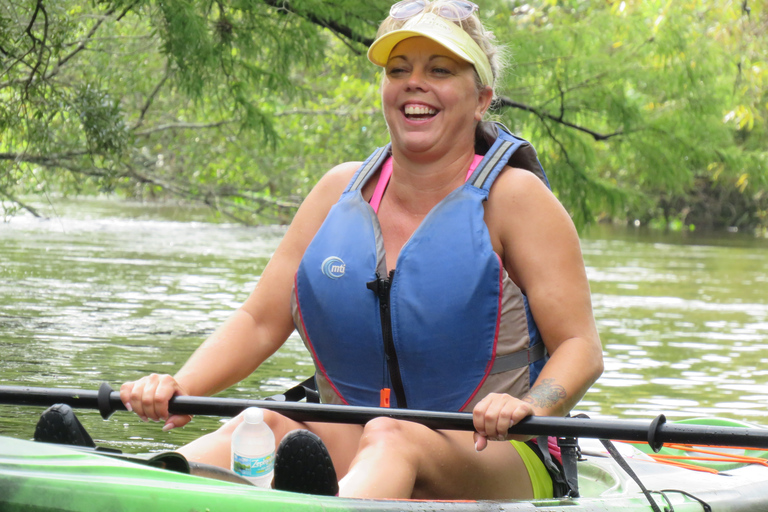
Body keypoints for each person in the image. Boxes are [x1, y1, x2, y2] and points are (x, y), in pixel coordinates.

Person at [119, 0, 603, 500]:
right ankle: (126, 485)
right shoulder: (337, 191)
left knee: (392, 437)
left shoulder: (517, 199)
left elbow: (581, 348)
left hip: (490, 453)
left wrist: (535, 408)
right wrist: (181, 386)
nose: (414, 82)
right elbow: (260, 320)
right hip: (360, 437)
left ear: (481, 98)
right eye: (398, 70)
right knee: (264, 421)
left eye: (439, 69)